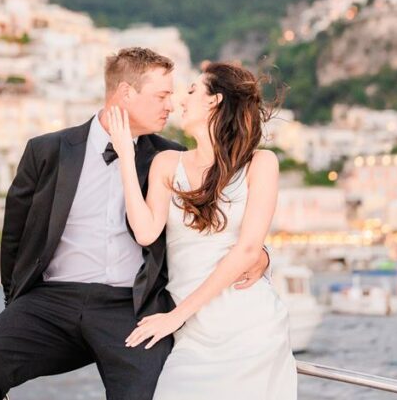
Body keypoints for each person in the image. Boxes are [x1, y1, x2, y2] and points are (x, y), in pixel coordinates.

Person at [0, 48, 270, 400]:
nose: (170, 105)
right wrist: (15, 302)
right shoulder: (48, 151)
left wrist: (260, 255)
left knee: (150, 391)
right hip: (51, 301)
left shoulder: (170, 156)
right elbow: (15, 234)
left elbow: (208, 221)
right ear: (126, 93)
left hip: (129, 306)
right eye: (161, 96)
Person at [108, 61, 296, 399]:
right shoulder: (167, 163)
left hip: (249, 329)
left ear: (215, 101)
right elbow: (146, 232)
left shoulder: (261, 164)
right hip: (193, 337)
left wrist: (174, 317)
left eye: (192, 90)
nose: (181, 100)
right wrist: (125, 155)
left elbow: (248, 251)